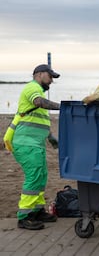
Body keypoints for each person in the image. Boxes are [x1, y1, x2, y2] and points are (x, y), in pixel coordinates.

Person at [12, 64, 61, 230]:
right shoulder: (32, 88)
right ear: (39, 74)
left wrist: (51, 138)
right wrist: (63, 107)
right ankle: (24, 216)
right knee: (34, 176)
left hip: (35, 144)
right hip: (25, 143)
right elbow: (40, 103)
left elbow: (38, 121)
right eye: (50, 76)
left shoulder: (37, 90)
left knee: (41, 176)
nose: (52, 81)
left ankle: (37, 211)